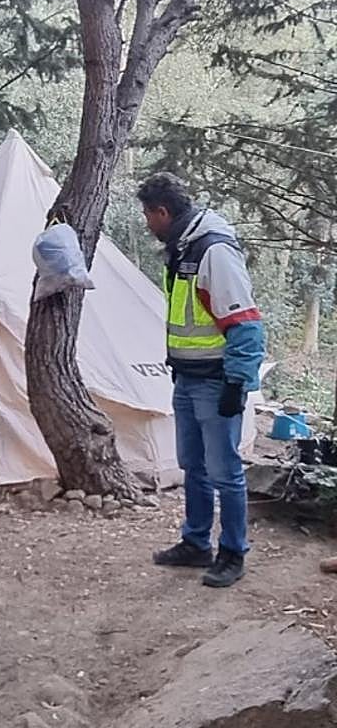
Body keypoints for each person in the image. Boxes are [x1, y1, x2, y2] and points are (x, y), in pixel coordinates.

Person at [138, 172, 265, 589]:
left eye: (147, 215)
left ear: (163, 212)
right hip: (188, 379)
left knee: (225, 471)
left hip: (215, 383)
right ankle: (196, 543)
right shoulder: (181, 251)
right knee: (193, 466)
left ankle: (233, 552)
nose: (145, 223)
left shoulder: (214, 252)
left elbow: (246, 324)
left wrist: (236, 384)